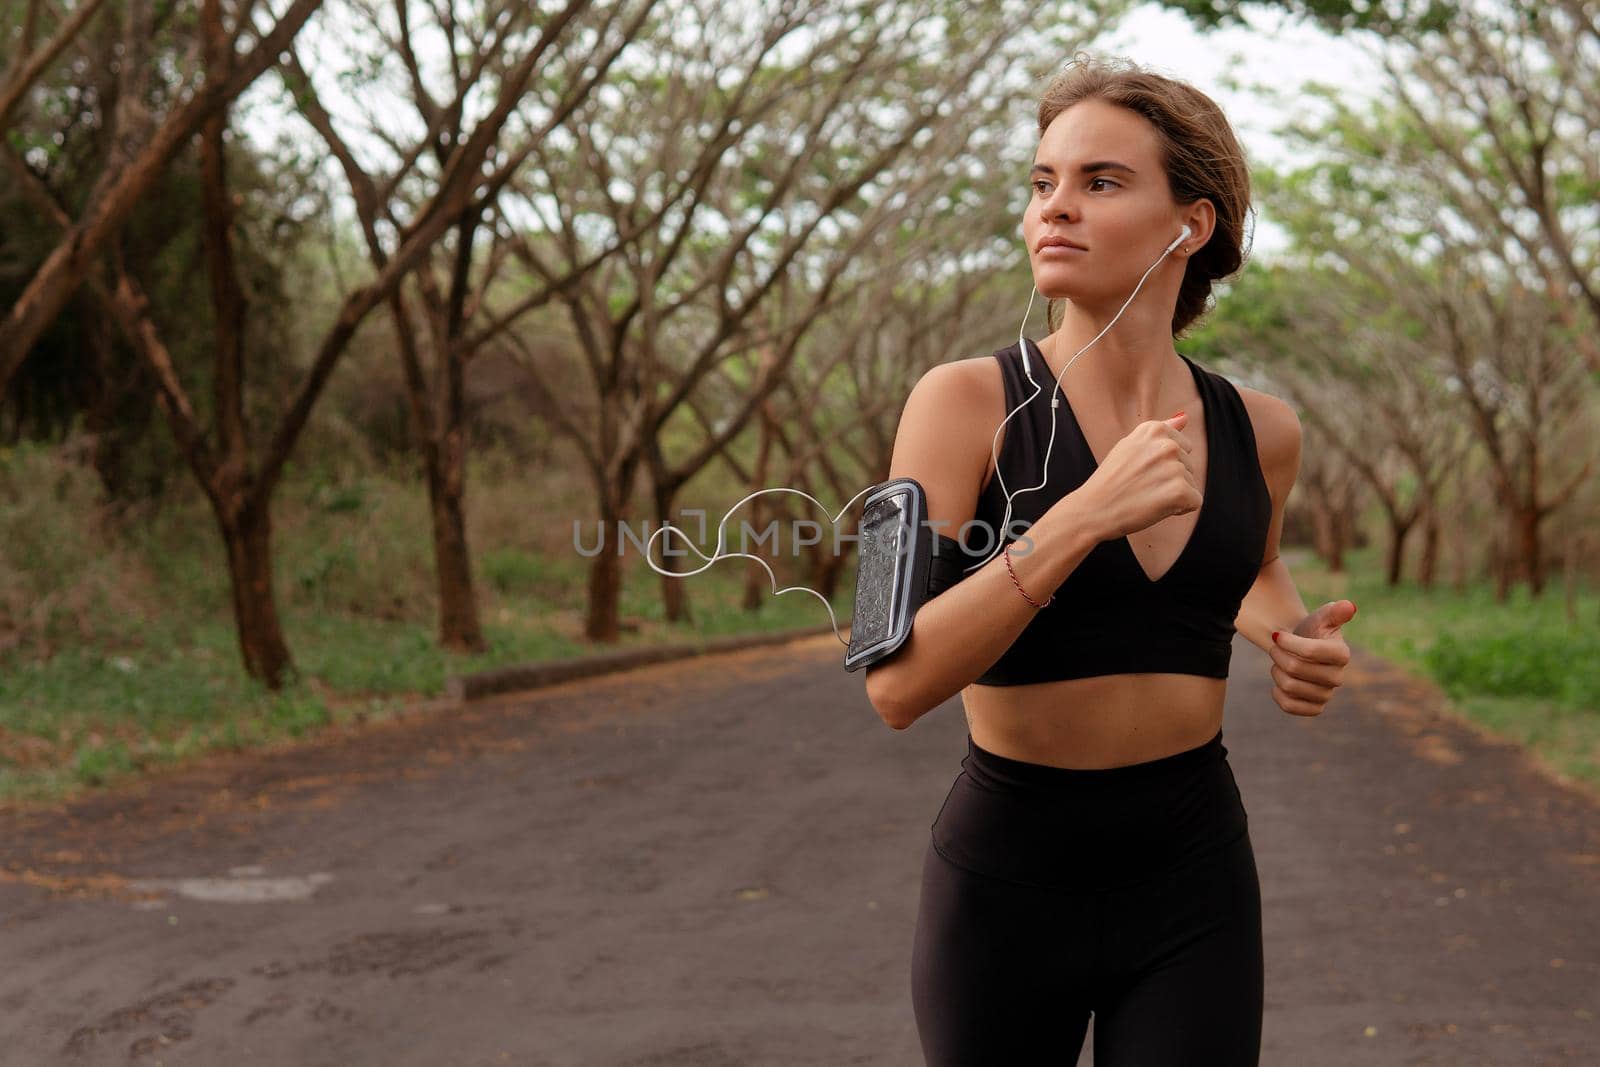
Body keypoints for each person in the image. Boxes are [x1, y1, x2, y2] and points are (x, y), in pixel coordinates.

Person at [861, 53, 1358, 1065]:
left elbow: (1253, 568)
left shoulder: (1263, 430)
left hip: (1193, 866)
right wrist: (1077, 518)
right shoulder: (955, 402)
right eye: (1042, 182)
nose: (1056, 208)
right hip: (1005, 878)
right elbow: (895, 680)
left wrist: (1287, 635)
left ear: (1191, 223)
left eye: (1100, 181)